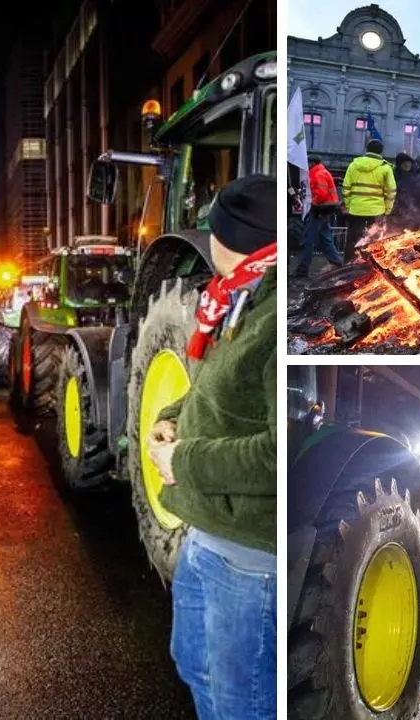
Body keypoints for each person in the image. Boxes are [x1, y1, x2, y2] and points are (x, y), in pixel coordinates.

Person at [146, 174, 276, 720]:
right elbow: (213, 386)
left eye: (213, 228)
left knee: (240, 701)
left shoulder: (270, 318)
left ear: (230, 239)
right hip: (205, 534)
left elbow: (274, 457)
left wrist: (183, 461)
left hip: (246, 553)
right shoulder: (234, 299)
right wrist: (172, 418)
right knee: (194, 666)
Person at [341, 138, 396, 263]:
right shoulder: (385, 168)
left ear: (367, 149)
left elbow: (346, 188)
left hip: (356, 209)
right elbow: (391, 191)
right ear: (381, 152)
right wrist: (387, 209)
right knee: (375, 240)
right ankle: (372, 267)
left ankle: (348, 264)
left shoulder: (353, 165)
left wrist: (349, 205)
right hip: (376, 210)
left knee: (352, 239)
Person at [293, 155, 342, 278]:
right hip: (324, 210)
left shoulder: (318, 174)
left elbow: (321, 194)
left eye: (308, 162)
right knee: (325, 239)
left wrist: (312, 203)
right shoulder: (321, 172)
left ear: (312, 163)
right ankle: (337, 264)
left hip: (319, 210)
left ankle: (302, 270)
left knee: (307, 240)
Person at [389, 152, 418, 230]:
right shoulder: (393, 175)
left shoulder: (415, 176)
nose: (407, 165)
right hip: (396, 211)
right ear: (399, 165)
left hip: (412, 212)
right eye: (404, 163)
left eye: (409, 163)